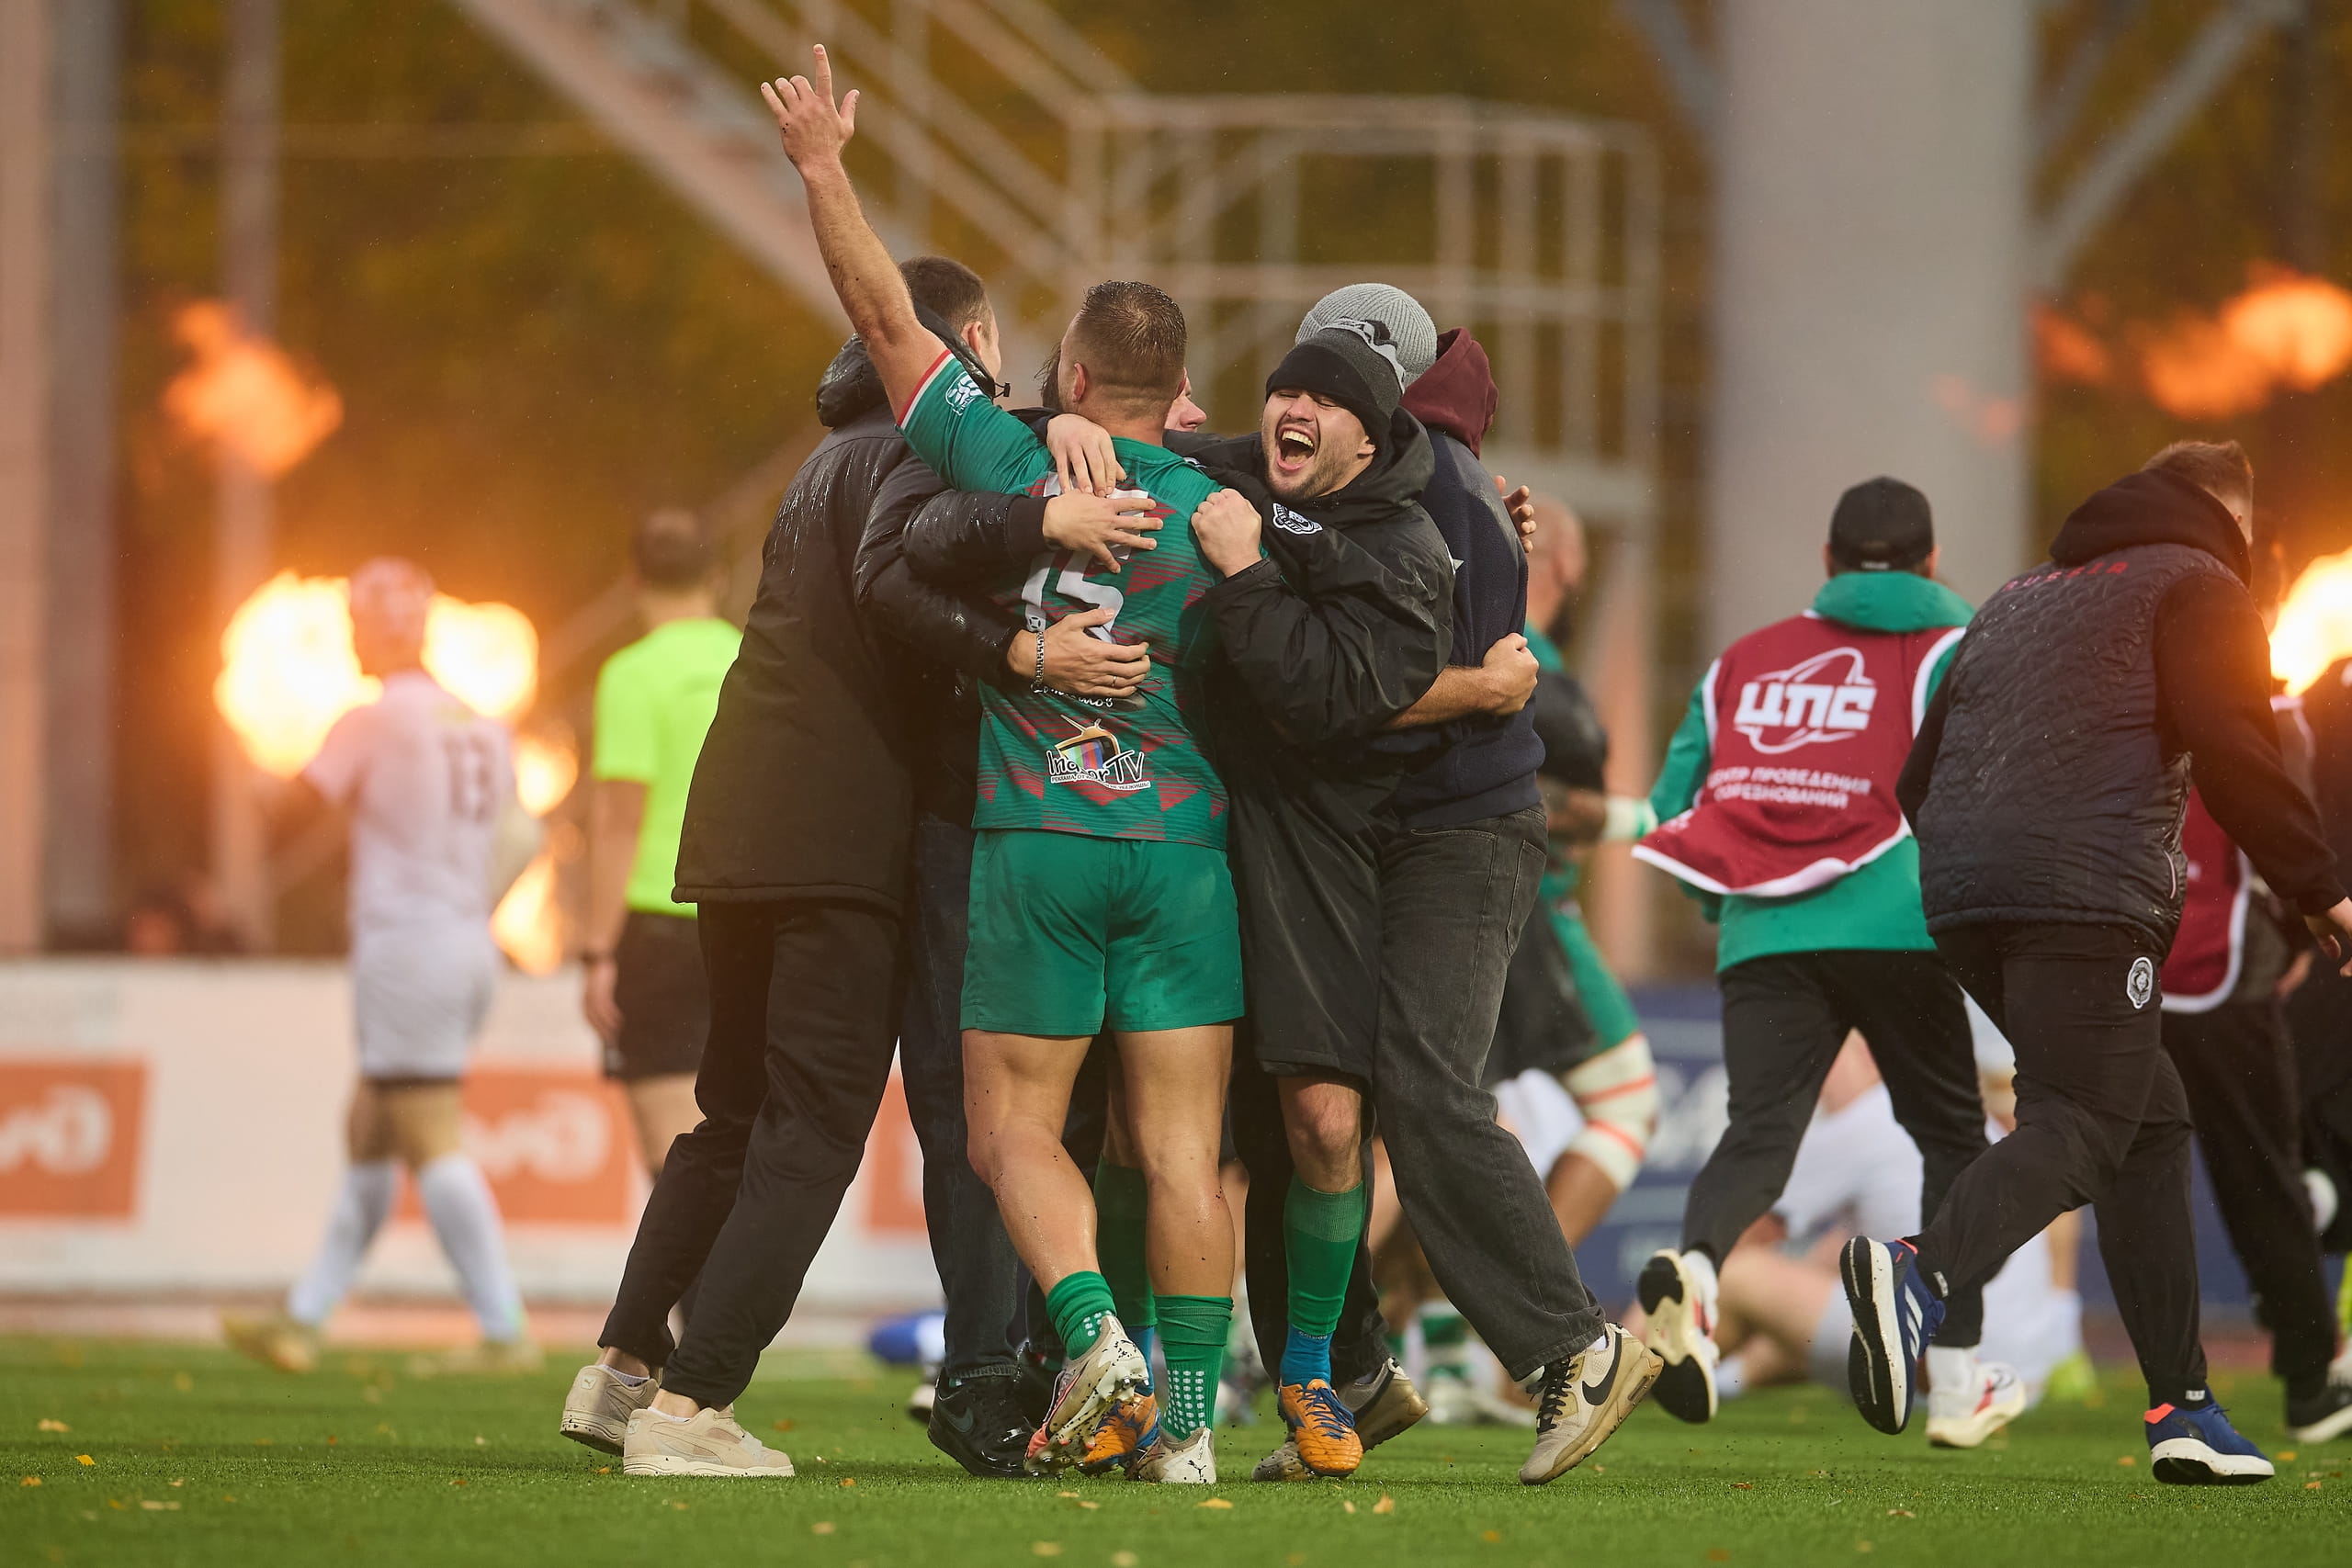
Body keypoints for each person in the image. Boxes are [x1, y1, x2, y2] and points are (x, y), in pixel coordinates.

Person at [771, 51, 1241, 1483]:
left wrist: (824, 170)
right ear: (1183, 390)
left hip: (1036, 840)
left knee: (1006, 1129)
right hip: (1182, 850)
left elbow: (885, 320)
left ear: (1073, 377)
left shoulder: (1009, 461)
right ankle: (1192, 1429)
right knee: (1182, 1151)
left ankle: (1092, 1334)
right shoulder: (1226, 506)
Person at [561, 254, 1041, 1477]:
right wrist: (1020, 649)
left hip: (735, 822)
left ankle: (622, 1368)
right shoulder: (926, 448)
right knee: (815, 1125)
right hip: (838, 835)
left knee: (731, 1116)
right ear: (968, 339)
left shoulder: (824, 457)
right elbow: (905, 604)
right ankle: (692, 1407)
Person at [1188, 287, 1656, 1489]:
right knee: (1309, 1107)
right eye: (1295, 382)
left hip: (1459, 824)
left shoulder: (1439, 488)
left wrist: (1490, 688)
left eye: (1333, 382)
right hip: (1372, 832)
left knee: (1422, 1087)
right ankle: (1349, 1375)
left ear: (1375, 405)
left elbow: (1365, 685)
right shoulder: (1430, 471)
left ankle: (1574, 1346)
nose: (1299, 405)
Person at [1874, 439, 2352, 1483]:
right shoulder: (2202, 582)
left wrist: (1983, 861)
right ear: (2231, 517)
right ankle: (1919, 1271)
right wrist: (2321, 892)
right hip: (2086, 897)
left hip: (1961, 896)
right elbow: (2236, 749)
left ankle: (2184, 1409)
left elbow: (1917, 778)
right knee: (2087, 1122)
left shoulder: (2015, 598)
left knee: (2148, 1120)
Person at [1632, 477, 2008, 1446]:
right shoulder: (1957, 649)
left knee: (1759, 1136)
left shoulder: (1742, 660)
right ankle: (1956, 1379)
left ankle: (1698, 1274)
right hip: (1899, 926)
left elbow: (1673, 806)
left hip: (1763, 935)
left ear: (1829, 562)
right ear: (1931, 561)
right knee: (1952, 1141)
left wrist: (1722, 908)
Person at [224, 558, 541, 1377]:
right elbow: (524, 834)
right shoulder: (483, 721)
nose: (352, 643)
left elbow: (293, 810)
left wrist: (256, 783)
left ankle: (504, 1327)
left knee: (431, 1133)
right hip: (466, 940)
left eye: (356, 626)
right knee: (369, 1126)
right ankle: (304, 1318)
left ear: (377, 628)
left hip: (406, 945)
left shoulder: (370, 720)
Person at [1696, 1034, 2080, 1419]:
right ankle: (1727, 1378)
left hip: (1954, 1361)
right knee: (1833, 1293)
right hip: (2022, 1373)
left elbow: (1741, 1236)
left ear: (1866, 1055)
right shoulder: (1938, 1107)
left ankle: (1663, 1365)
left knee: (1733, 1275)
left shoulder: (1865, 1117)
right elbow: (1836, 1259)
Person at [2157, 775, 2352, 1444]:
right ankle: (2310, 1381)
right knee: (2264, 1178)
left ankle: (1950, 1334)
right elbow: (2267, 808)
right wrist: (2307, 920)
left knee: (2103, 1168)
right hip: (2221, 963)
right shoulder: (2244, 725)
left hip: (2116, 958)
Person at [577, 511, 739, 1187]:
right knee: (734, 1136)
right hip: (748, 920)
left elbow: (621, 820)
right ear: (718, 576)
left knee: (674, 1155)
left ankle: (703, 1268)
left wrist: (597, 949)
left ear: (632, 579)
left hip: (661, 920)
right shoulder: (758, 659)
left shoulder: (632, 674)